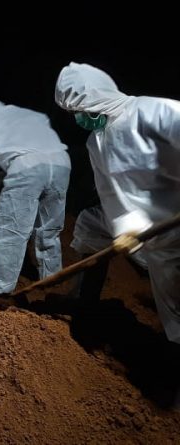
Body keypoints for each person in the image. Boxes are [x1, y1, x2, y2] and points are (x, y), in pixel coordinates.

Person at [55, 62, 180, 343]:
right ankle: (84, 302)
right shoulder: (96, 141)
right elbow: (109, 192)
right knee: (91, 224)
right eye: (73, 113)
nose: (78, 118)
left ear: (96, 98)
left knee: (175, 310)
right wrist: (126, 227)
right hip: (141, 226)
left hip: (173, 228)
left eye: (78, 110)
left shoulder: (151, 111)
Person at [0, 96, 71, 295]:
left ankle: (0, 292)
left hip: (26, 166)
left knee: (10, 231)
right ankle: (53, 284)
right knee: (49, 230)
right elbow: (35, 145)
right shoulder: (34, 115)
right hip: (61, 164)